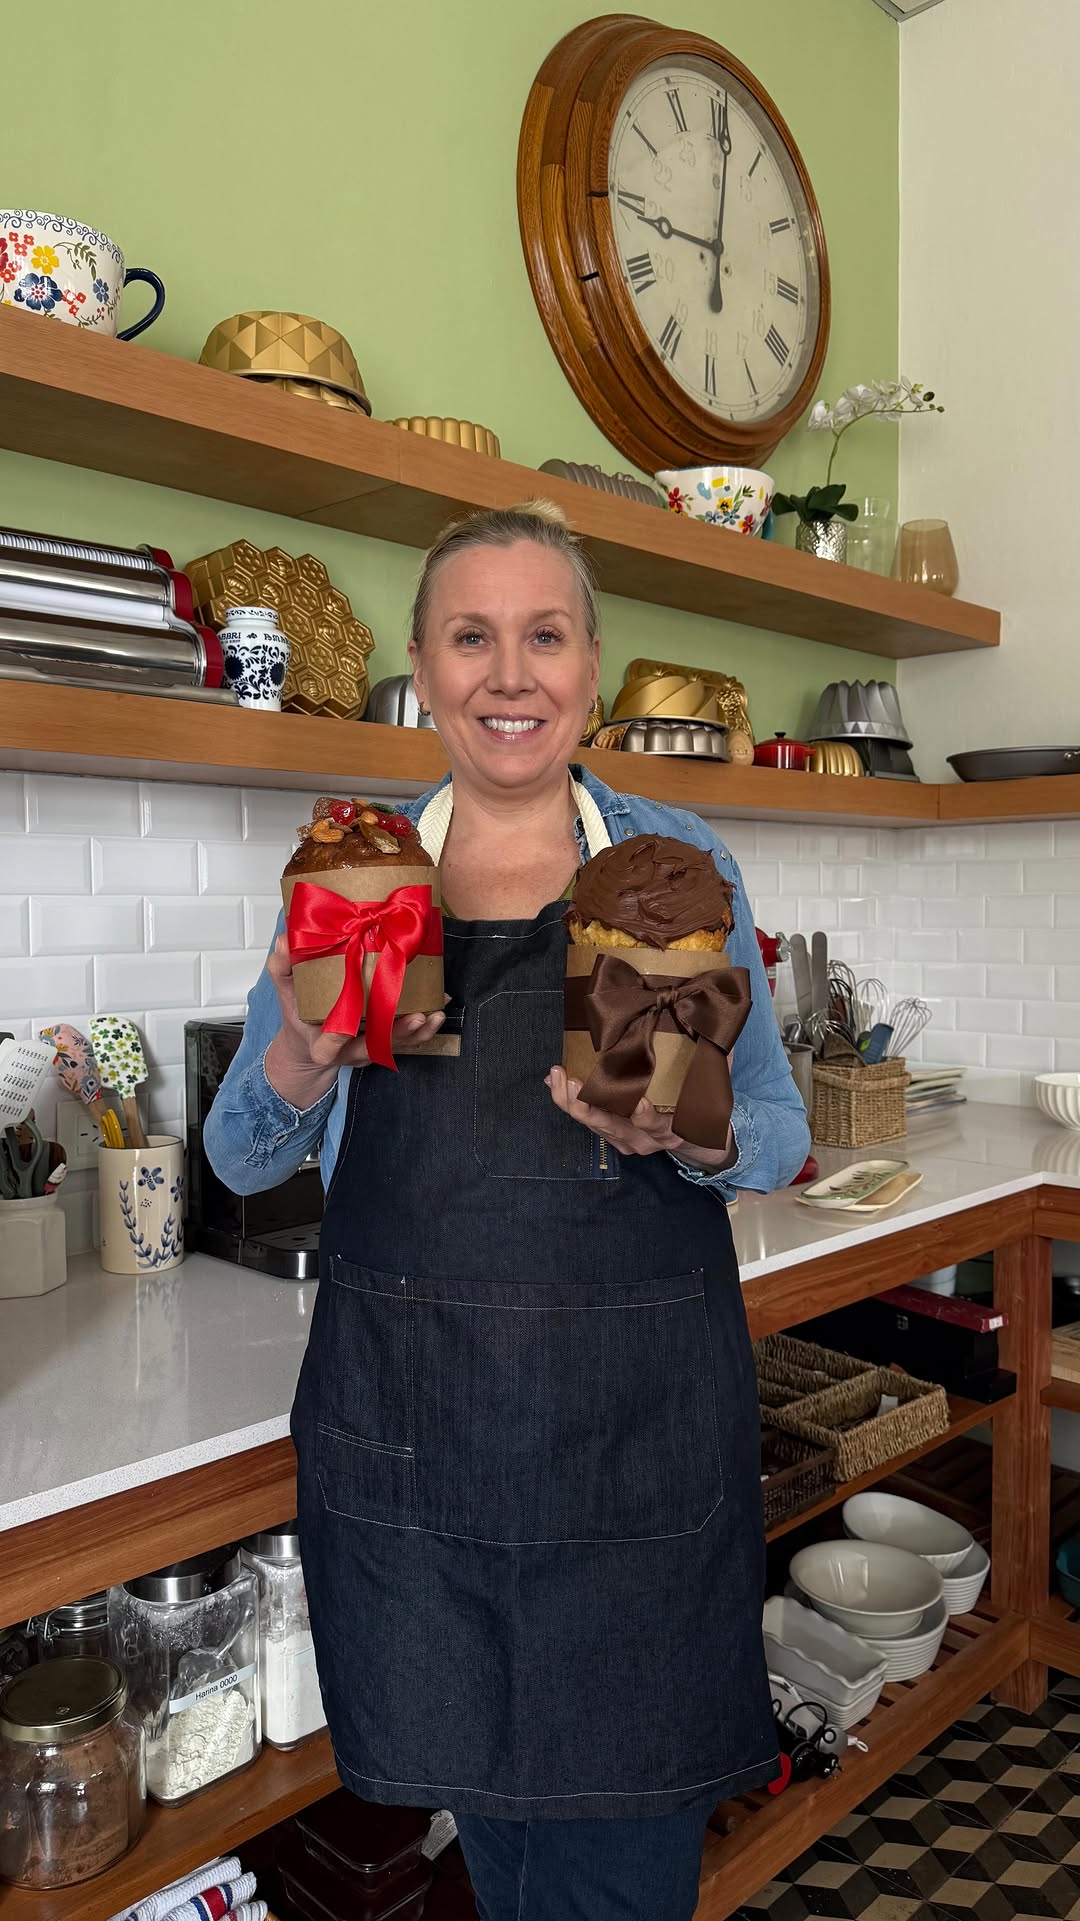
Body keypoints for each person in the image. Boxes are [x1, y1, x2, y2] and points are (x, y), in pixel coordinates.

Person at [206, 501, 809, 1921]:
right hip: (425, 1459)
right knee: (502, 1853)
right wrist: (307, 1042)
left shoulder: (673, 865)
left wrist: (687, 1123)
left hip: (637, 1465)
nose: (510, 673)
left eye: (545, 635)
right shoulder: (362, 875)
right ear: (424, 662)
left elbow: (776, 1137)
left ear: (593, 667)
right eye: (472, 637)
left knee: (623, 1872)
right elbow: (239, 1152)